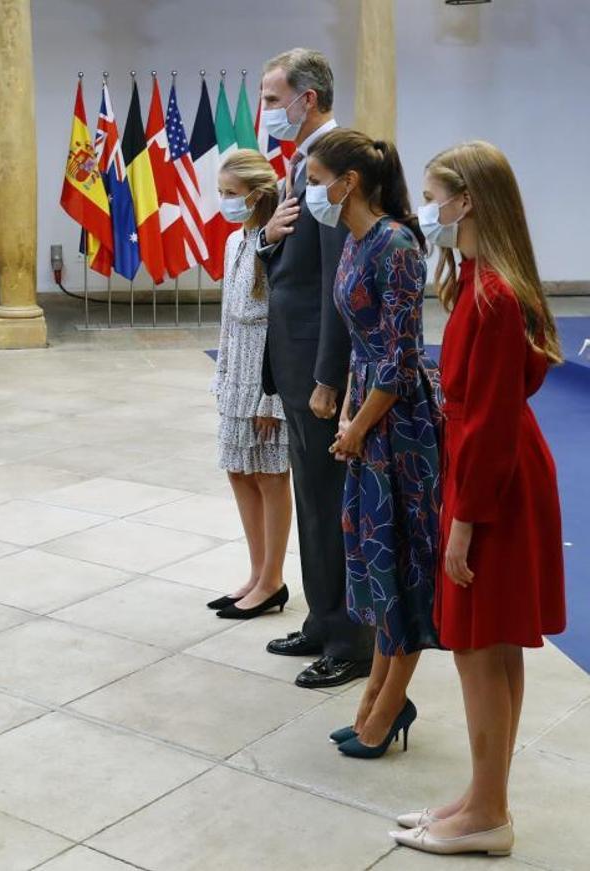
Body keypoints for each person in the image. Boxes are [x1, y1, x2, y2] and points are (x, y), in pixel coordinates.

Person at [392, 141, 565, 857]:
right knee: (491, 642)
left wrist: (462, 521)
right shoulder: (475, 278)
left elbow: (490, 420)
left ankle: (489, 811)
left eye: (434, 194)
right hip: (493, 469)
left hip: (492, 478)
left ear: (466, 201)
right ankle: (482, 793)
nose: (425, 207)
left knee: (475, 643)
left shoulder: (490, 294)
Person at [306, 129, 442, 758]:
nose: (312, 191)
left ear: (349, 181)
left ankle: (384, 707)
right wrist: (348, 416)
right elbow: (365, 351)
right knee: (375, 562)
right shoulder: (356, 240)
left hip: (400, 428)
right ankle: (378, 702)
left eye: (315, 178)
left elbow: (401, 358)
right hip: (366, 416)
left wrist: (358, 426)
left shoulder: (397, 245)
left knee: (403, 563)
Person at [257, 48, 373, 689]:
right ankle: (323, 619)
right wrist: (269, 238)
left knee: (332, 503)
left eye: (273, 99)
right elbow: (296, 266)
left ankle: (351, 637)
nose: (265, 112)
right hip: (296, 358)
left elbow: (338, 282)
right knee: (311, 495)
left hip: (318, 368)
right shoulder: (300, 165)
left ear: (308, 99)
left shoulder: (336, 165)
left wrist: (331, 375)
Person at [208, 149, 293, 620]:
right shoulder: (235, 240)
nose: (224, 202)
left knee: (268, 472)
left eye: (230, 194)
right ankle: (256, 572)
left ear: (258, 196)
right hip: (236, 366)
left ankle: (273, 579)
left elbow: (276, 321)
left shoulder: (276, 243)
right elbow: (227, 315)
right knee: (238, 469)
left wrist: (270, 395)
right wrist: (221, 375)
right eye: (220, 193)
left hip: (265, 372)